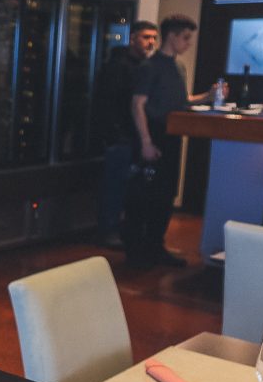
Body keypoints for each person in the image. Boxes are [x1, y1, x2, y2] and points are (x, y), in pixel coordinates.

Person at [123, 14, 223, 268]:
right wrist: (145, 141)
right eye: (186, 38)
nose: (188, 44)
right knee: (143, 194)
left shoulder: (178, 67)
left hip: (172, 135)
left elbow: (182, 100)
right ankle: (136, 252)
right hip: (153, 133)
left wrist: (208, 96)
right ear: (172, 36)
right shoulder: (150, 67)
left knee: (165, 194)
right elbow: (138, 105)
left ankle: (156, 246)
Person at [92, 21, 158, 248]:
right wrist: (115, 135)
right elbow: (108, 103)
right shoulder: (118, 66)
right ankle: (109, 231)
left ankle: (121, 230)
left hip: (132, 135)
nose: (151, 42)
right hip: (121, 136)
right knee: (115, 186)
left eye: (153, 38)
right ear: (132, 39)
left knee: (126, 186)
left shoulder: (143, 66)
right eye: (146, 37)